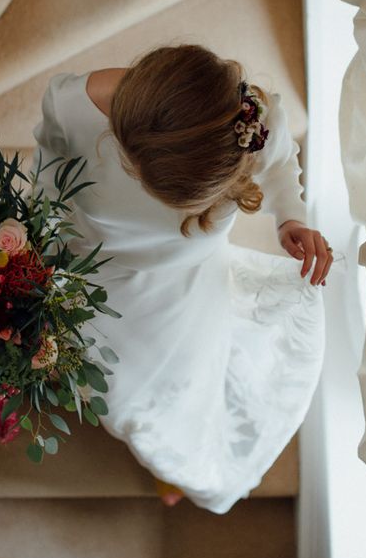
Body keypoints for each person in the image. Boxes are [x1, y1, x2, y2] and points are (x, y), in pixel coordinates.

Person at [30, 44, 330, 514]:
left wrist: (290, 217)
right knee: (122, 396)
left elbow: (279, 164)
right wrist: (38, 246)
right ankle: (159, 460)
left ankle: (170, 463)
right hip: (98, 275)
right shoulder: (71, 105)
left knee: (187, 385)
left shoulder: (255, 124)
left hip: (189, 285)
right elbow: (48, 172)